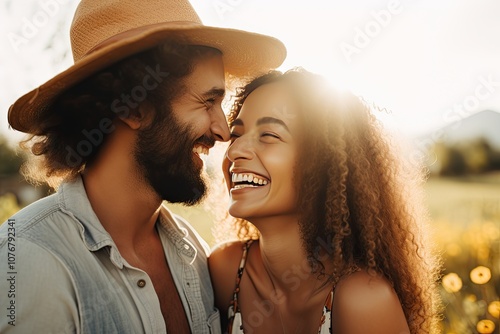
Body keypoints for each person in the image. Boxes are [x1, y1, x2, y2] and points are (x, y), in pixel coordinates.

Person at [0, 0, 286, 333]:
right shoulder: (30, 258)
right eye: (208, 102)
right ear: (135, 108)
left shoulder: (192, 251)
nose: (223, 131)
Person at [209, 68, 442, 334]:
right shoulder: (225, 270)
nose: (235, 150)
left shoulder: (363, 301)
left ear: (323, 165)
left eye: (269, 136)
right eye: (237, 135)